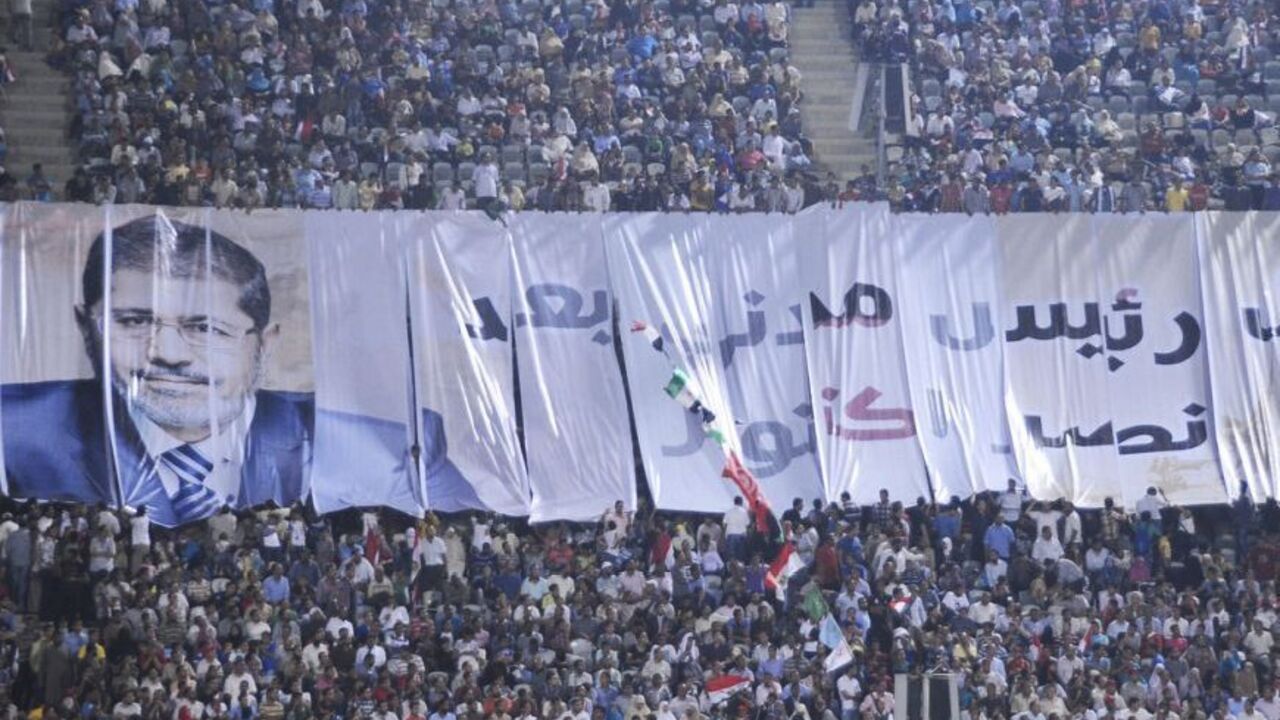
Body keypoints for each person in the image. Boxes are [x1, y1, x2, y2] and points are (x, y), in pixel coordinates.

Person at [0, 216, 315, 526]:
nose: (168, 354)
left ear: (264, 343)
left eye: (206, 328)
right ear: (86, 328)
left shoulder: (327, 440)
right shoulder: (13, 433)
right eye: (135, 321)